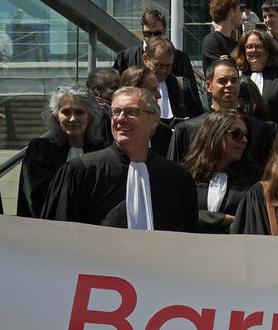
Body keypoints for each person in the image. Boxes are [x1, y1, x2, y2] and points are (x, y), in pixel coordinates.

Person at [41, 87, 198, 231]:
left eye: (132, 112)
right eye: (115, 112)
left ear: (154, 120)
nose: (120, 119)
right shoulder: (81, 171)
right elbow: (57, 235)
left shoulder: (177, 178)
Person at [17, 85, 107, 218]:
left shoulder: (102, 150)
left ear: (89, 117)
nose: (72, 119)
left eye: (79, 112)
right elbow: (37, 199)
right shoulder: (40, 150)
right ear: (56, 117)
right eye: (66, 112)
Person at [168, 59, 275, 167]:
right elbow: (174, 174)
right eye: (222, 81)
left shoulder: (261, 129)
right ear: (208, 86)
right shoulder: (188, 129)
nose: (229, 85)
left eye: (234, 80)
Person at [183, 110, 261, 234]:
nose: (244, 140)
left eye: (246, 135)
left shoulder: (253, 178)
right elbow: (177, 215)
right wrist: (221, 219)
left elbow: (251, 221)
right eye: (237, 134)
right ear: (216, 134)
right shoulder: (184, 175)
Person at [113, 9, 196, 91]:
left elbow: (192, 97)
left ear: (164, 30)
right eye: (147, 33)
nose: (152, 37)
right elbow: (116, 91)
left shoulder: (181, 58)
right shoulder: (126, 57)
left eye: (157, 33)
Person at [232, 29, 278, 123]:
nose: (253, 50)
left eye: (258, 46)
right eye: (249, 47)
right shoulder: (238, 81)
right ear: (244, 51)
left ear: (269, 50)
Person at [118, 66, 174, 156]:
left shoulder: (163, 133)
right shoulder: (106, 125)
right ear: (133, 90)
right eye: (153, 90)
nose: (159, 95)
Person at [143, 37, 200, 120]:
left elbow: (195, 117)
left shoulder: (182, 86)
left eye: (168, 66)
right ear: (146, 59)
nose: (164, 70)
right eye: (158, 65)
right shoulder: (134, 85)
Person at [201, 0, 241, 73]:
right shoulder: (211, 41)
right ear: (231, 11)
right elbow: (223, 72)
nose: (241, 16)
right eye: (238, 10)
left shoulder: (235, 43)